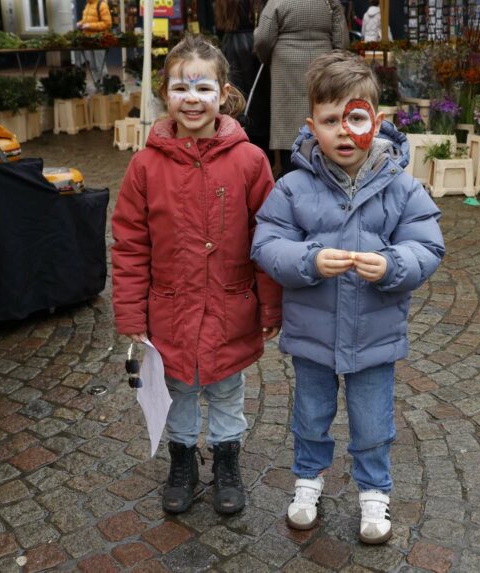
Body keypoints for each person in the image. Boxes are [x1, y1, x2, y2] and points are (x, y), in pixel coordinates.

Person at [251, 51, 444, 544]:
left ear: (375, 122)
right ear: (311, 126)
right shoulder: (293, 187)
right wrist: (310, 260)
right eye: (331, 120)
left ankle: (374, 492)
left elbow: (427, 245)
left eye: (354, 118)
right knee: (310, 415)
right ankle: (307, 481)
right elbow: (267, 244)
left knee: (373, 420)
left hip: (374, 335)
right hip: (312, 334)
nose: (343, 131)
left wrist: (394, 265)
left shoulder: (401, 187)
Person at [111, 34, 283, 516]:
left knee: (227, 389)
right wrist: (131, 311)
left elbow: (267, 239)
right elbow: (129, 244)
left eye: (203, 89)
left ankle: (227, 462)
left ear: (224, 95)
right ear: (165, 92)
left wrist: (271, 304)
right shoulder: (145, 166)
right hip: (171, 310)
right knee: (180, 390)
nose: (192, 99)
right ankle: (182, 461)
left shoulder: (250, 161)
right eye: (182, 88)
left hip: (230, 305)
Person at [254, 0, 348, 177]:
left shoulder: (277, 2)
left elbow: (263, 39)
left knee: (287, 123)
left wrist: (266, 59)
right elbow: (341, 41)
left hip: (286, 65)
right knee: (321, 113)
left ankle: (290, 168)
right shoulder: (330, 2)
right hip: (323, 62)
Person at [214, 0, 270, 157]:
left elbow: (216, 24)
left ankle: (234, 137)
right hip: (251, 47)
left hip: (228, 44)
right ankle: (256, 145)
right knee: (257, 102)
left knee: (232, 96)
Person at [76, 0, 112, 86]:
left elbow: (107, 23)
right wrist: (80, 23)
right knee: (92, 65)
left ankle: (106, 85)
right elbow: (86, 20)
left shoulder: (102, 5)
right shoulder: (88, 5)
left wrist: (90, 26)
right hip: (88, 40)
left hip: (99, 41)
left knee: (100, 64)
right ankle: (97, 83)